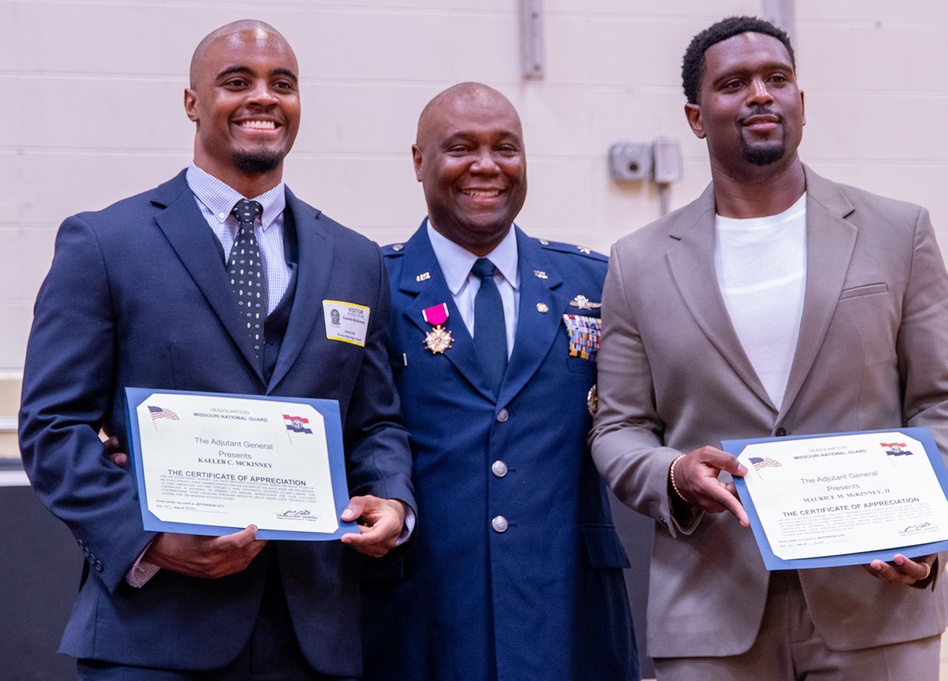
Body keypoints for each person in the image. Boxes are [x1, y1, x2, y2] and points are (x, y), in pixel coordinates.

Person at [18, 20, 414, 680]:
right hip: (154, 635)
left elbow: (376, 420)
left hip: (315, 635)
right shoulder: (106, 243)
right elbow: (52, 428)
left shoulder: (354, 259)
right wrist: (151, 540)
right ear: (192, 103)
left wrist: (392, 498)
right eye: (237, 82)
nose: (263, 97)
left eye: (281, 85)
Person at [589, 15, 948, 681]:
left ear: (802, 100)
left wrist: (925, 528)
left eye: (778, 79)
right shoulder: (638, 262)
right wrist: (675, 475)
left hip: (876, 600)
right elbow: (620, 427)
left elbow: (947, 400)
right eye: (734, 83)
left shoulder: (897, 231)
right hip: (712, 611)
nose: (761, 95)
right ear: (695, 115)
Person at [359, 82, 639, 681]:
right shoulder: (369, 286)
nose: (486, 166)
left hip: (569, 610)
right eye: (461, 148)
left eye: (505, 148)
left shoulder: (594, 281)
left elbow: (654, 410)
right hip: (420, 611)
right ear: (419, 161)